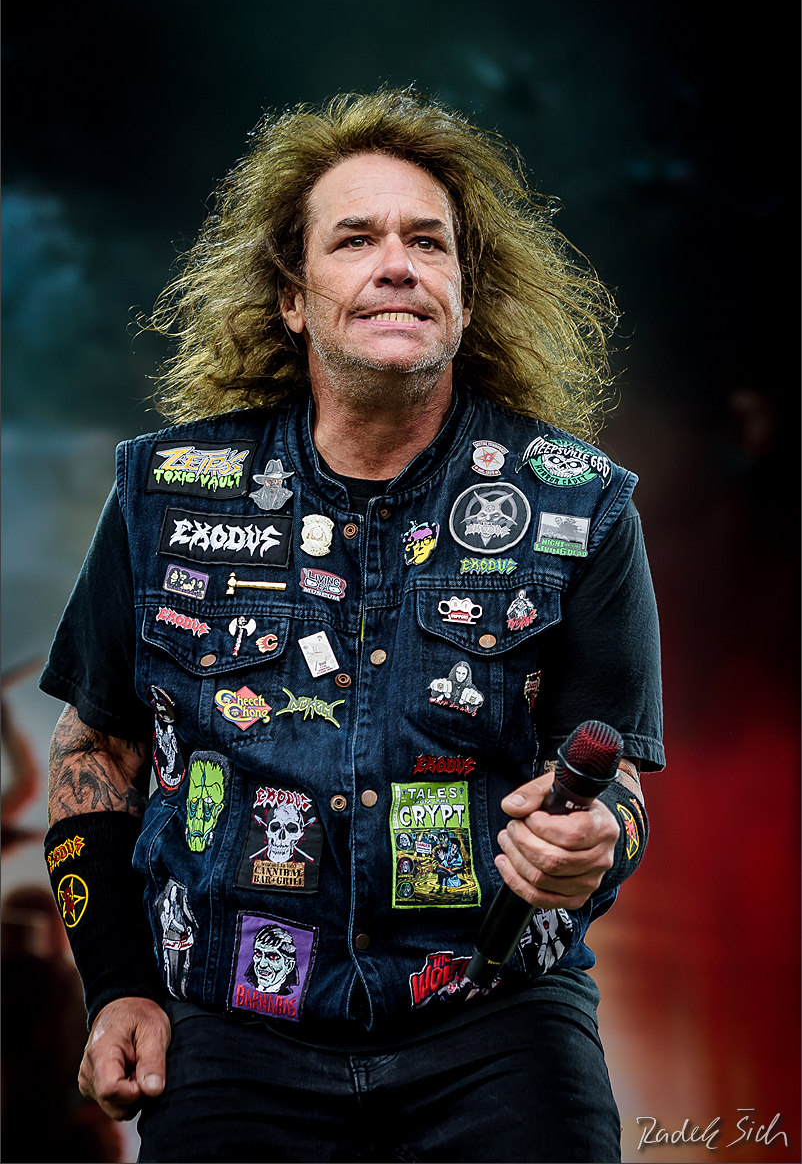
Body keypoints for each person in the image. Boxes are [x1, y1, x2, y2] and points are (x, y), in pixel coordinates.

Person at [41, 88, 664, 1163]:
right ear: (292, 298)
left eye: (428, 241)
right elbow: (96, 750)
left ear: (466, 294)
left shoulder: (581, 506)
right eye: (355, 238)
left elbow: (617, 786)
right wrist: (119, 987)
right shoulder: (164, 494)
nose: (397, 264)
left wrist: (594, 844)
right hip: (232, 1034)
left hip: (501, 1026)